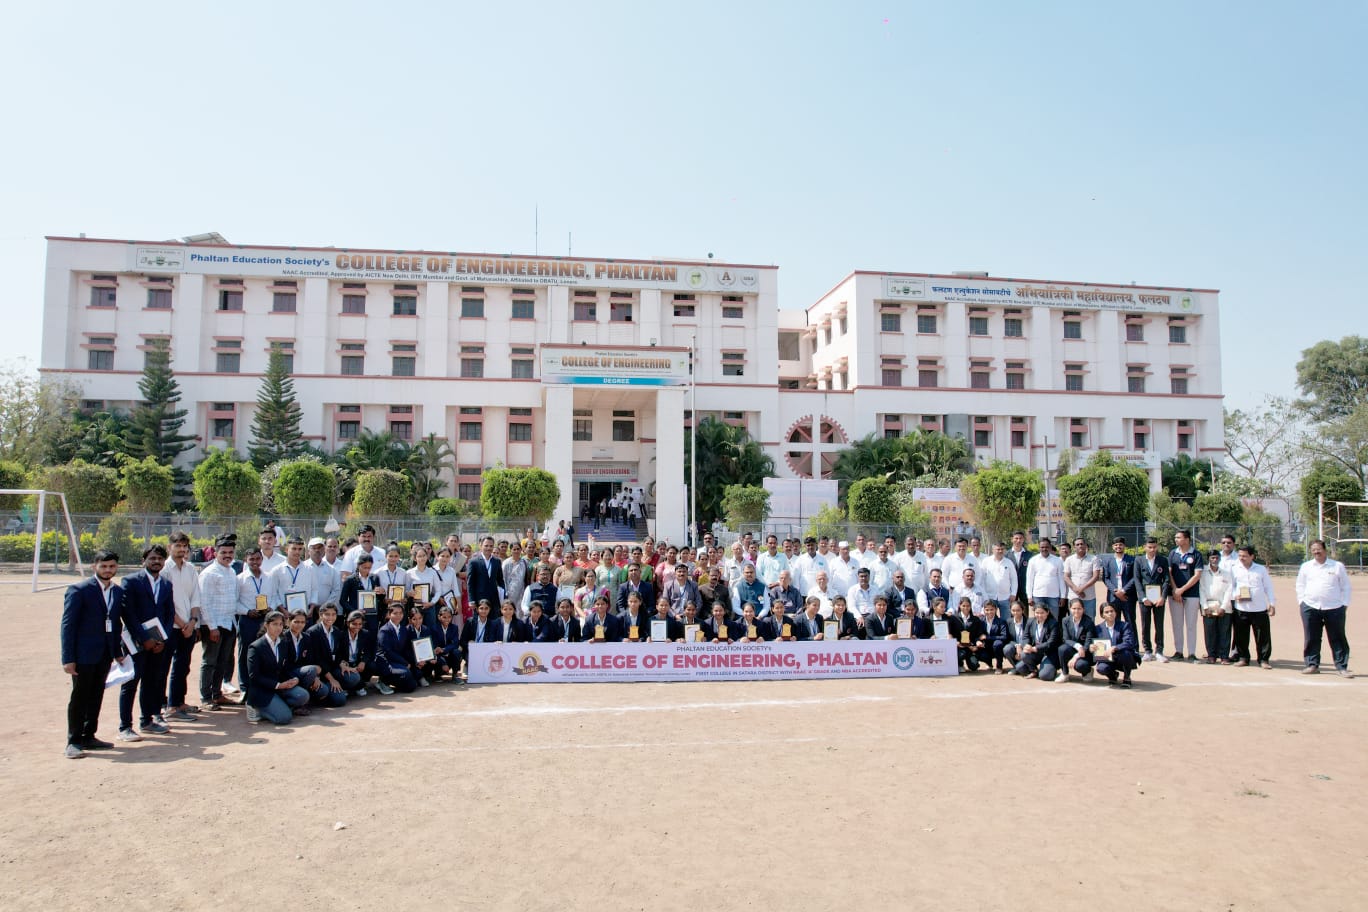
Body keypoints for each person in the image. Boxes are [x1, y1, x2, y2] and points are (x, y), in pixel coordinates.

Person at [61, 549, 121, 758]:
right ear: (94, 566)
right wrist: (68, 658)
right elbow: (68, 626)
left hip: (104, 654)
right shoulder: (79, 590)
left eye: (111, 566)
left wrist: (117, 651)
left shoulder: (116, 591)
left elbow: (116, 624)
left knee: (96, 695)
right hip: (83, 655)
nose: (108, 570)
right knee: (80, 697)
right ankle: (73, 741)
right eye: (103, 566)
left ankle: (89, 735)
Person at [116, 545, 175, 740]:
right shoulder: (131, 581)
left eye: (160, 558)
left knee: (151, 681)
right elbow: (128, 613)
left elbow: (169, 613)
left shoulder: (166, 584)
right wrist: (144, 638)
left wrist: (163, 638)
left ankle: (147, 720)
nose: (156, 561)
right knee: (130, 684)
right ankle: (125, 727)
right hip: (135, 642)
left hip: (158, 644)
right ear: (144, 560)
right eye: (152, 558)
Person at [1295, 539, 1353, 676]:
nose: (1316, 552)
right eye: (1313, 550)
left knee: (1337, 637)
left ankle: (1342, 667)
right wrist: (1302, 601)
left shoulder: (1337, 566)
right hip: (1310, 606)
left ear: (1325, 550)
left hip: (1334, 607)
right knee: (1311, 637)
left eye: (1319, 549)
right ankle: (1312, 665)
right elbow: (1300, 585)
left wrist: (1344, 604)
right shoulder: (1306, 566)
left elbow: (1346, 586)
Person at [197, 534, 241, 712]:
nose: (227, 555)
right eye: (224, 552)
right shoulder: (209, 573)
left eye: (230, 552)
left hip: (229, 623)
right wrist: (212, 627)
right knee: (210, 662)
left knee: (222, 661)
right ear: (215, 553)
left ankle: (217, 694)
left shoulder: (231, 572)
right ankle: (206, 697)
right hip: (213, 625)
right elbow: (204, 602)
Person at [163, 531, 203, 722]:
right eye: (177, 545)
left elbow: (195, 597)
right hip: (171, 627)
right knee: (165, 668)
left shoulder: (190, 569)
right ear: (169, 547)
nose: (181, 549)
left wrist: (192, 622)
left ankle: (179, 702)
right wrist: (182, 624)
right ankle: (169, 706)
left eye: (184, 546)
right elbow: (166, 603)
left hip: (189, 626)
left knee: (183, 666)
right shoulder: (164, 570)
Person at [245, 611, 311, 724]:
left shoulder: (283, 643)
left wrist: (293, 679)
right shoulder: (256, 647)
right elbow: (254, 676)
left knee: (303, 696)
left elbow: (284, 667)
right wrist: (278, 685)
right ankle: (256, 708)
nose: (278, 627)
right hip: (263, 689)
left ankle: (277, 705)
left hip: (279, 686)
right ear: (266, 625)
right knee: (284, 718)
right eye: (275, 624)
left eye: (281, 624)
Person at [1225, 545, 1276, 669]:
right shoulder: (1234, 568)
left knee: (1262, 636)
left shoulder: (1261, 569)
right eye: (1240, 556)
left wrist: (1272, 603)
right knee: (1241, 635)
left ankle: (1263, 659)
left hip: (1259, 608)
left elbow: (1268, 587)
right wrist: (1235, 596)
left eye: (1245, 556)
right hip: (1241, 608)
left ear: (1252, 556)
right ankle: (1243, 658)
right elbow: (1231, 586)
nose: (1241, 558)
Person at [1133, 537, 1171, 663]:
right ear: (1145, 547)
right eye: (1150, 547)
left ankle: (1159, 651)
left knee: (1159, 625)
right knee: (1145, 624)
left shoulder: (1162, 560)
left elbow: (1166, 580)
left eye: (1154, 547)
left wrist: (1163, 597)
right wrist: (1143, 597)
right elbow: (1137, 579)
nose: (1152, 549)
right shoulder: (1139, 560)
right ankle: (1147, 651)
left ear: (1157, 547)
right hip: (1145, 598)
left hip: (1158, 598)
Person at [1168, 530, 1203, 663]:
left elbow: (1197, 575)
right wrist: (1175, 590)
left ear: (1187, 539)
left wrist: (1182, 589)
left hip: (1192, 594)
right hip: (1175, 595)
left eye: (1179, 537)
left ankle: (1192, 653)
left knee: (1191, 625)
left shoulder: (1196, 554)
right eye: (1175, 537)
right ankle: (1179, 651)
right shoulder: (1173, 553)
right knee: (1177, 624)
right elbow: (1169, 573)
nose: (1176, 539)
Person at [305, 603, 349, 707]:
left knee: (352, 677)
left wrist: (342, 664)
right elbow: (316, 659)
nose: (331, 617)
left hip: (331, 668)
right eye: (327, 614)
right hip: (319, 672)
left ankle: (335, 689)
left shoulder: (336, 631)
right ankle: (320, 694)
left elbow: (338, 653)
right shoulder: (313, 632)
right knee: (339, 700)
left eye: (333, 614)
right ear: (321, 615)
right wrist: (332, 679)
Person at [1198, 550, 1234, 664]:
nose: (1215, 560)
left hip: (1224, 607)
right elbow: (1201, 590)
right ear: (1208, 559)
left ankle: (1224, 656)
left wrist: (1223, 607)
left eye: (1217, 558)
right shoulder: (1203, 573)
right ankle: (1211, 655)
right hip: (1208, 607)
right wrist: (1205, 606)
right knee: (1210, 632)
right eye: (1212, 558)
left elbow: (1229, 591)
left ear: (1220, 559)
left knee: (1225, 632)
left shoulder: (1226, 573)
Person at [1093, 602, 1139, 688]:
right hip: (1107, 657)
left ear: (1115, 612)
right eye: (1106, 612)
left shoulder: (1124, 625)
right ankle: (1113, 675)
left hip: (1122, 656)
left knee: (1126, 653)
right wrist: (1092, 647)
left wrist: (1115, 647)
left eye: (1112, 611)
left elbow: (1129, 642)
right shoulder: (1098, 628)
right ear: (1102, 615)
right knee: (1101, 668)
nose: (1110, 613)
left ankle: (1127, 677)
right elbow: (1096, 645)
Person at [376, 604, 419, 692]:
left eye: (400, 613)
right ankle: (383, 681)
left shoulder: (403, 629)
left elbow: (405, 649)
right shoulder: (384, 630)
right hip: (386, 661)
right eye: (395, 613)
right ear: (389, 614)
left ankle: (393, 682)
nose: (398, 615)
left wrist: (416, 660)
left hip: (398, 661)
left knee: (413, 684)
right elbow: (387, 652)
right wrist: (405, 663)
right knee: (406, 673)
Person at [1013, 603, 1060, 680]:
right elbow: (1025, 637)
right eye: (1037, 613)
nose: (1039, 615)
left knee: (1045, 675)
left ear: (1047, 612)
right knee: (1020, 667)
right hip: (1035, 652)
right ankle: (1034, 671)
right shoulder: (1031, 621)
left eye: (1042, 613)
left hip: (1049, 652)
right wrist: (1026, 646)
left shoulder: (1053, 623)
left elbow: (1051, 642)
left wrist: (1035, 648)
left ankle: (1050, 668)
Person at [339, 553, 381, 636]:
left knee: (371, 640)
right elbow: (343, 601)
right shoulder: (350, 580)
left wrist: (380, 592)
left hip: (372, 617)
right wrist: (355, 611)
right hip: (356, 619)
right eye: (364, 567)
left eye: (369, 568)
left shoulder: (374, 578)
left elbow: (378, 598)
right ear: (358, 566)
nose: (366, 570)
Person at [1056, 599, 1097, 682]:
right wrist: (1078, 646)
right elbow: (1066, 639)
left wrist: (1076, 657)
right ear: (1070, 609)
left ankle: (1087, 672)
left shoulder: (1089, 622)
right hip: (1074, 648)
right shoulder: (1065, 620)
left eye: (1079, 608)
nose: (1076, 611)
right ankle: (1065, 673)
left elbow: (1088, 642)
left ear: (1083, 609)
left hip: (1085, 652)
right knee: (1062, 649)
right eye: (1074, 608)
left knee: (1081, 665)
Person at [1025, 538, 1066, 619]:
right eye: (1042, 547)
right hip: (1038, 595)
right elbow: (1029, 580)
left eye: (1046, 547)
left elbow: (1061, 579)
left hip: (1053, 596)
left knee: (1054, 619)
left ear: (1050, 547)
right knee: (1039, 619)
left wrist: (1063, 596)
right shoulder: (1033, 560)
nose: (1044, 549)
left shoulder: (1057, 561)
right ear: (1039, 547)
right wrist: (1029, 596)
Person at [1100, 537, 1137, 627]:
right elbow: (1106, 578)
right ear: (1113, 547)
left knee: (1130, 622)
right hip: (1113, 597)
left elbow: (1135, 577)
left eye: (1120, 545)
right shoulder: (1107, 561)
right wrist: (1115, 591)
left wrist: (1123, 591)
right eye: (1116, 545)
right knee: (1114, 622)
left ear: (1124, 546)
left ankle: (1132, 637)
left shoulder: (1132, 560)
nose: (1118, 547)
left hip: (1128, 597)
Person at [339, 609, 377, 695]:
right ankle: (347, 686)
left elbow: (368, 650)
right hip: (345, 664)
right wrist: (342, 663)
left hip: (357, 663)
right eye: (354, 624)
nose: (357, 626)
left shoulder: (365, 633)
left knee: (372, 666)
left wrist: (363, 662)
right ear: (348, 623)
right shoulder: (341, 635)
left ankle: (360, 685)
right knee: (348, 677)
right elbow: (338, 653)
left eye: (360, 624)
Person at [1063, 538, 1101, 620]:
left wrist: (1081, 589)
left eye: (1082, 544)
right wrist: (1077, 590)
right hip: (1073, 596)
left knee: (1090, 620)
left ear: (1085, 545)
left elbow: (1095, 577)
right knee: (1074, 620)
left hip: (1089, 596)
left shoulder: (1094, 559)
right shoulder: (1069, 560)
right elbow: (1066, 576)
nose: (1080, 546)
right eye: (1077, 544)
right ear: (1074, 547)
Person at [468, 536, 505, 608]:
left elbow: (500, 580)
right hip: (479, 598)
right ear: (481, 546)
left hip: (494, 599)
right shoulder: (473, 562)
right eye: (486, 546)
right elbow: (470, 582)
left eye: (491, 546)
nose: (488, 548)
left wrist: (504, 594)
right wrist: (471, 600)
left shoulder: (497, 561)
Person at [1001, 600, 1031, 673]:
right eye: (1013, 610)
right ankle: (1016, 667)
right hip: (1014, 647)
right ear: (1010, 610)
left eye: (1018, 610)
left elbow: (1030, 638)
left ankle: (1026, 667)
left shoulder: (1029, 622)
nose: (1015, 613)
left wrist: (1021, 647)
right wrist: (1017, 646)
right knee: (1007, 649)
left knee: (1024, 670)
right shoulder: (1008, 622)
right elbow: (1007, 639)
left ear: (1023, 610)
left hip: (1026, 648)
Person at [981, 601, 1010, 673]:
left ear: (996, 609)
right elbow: (978, 634)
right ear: (984, 610)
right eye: (987, 610)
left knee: (998, 644)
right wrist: (978, 641)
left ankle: (999, 666)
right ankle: (989, 663)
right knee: (978, 650)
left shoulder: (1001, 621)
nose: (989, 612)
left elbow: (1004, 637)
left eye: (992, 609)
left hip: (997, 646)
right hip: (986, 646)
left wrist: (988, 637)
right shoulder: (981, 621)